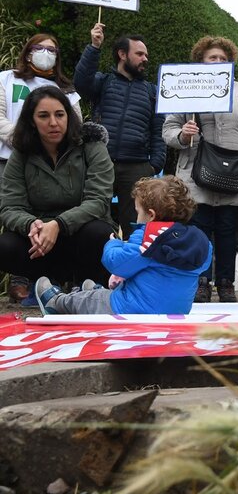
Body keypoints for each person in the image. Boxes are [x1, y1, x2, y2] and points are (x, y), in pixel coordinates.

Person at [163, 37, 238, 303]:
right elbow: (169, 129)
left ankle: (226, 283)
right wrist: (183, 135)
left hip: (234, 173)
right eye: (212, 58)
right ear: (201, 61)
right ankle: (201, 281)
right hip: (196, 173)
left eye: (223, 58)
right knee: (198, 229)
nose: (218, 62)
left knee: (227, 230)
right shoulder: (187, 89)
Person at [34, 176, 212, 315]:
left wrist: (113, 244)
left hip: (132, 310)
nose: (136, 217)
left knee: (87, 300)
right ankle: (102, 292)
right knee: (137, 283)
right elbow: (160, 269)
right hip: (175, 312)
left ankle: (55, 302)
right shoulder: (198, 240)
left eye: (137, 212)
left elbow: (117, 264)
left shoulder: (149, 237)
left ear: (150, 215)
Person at [0, 86, 115, 288]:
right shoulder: (21, 153)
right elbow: (10, 207)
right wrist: (31, 225)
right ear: (32, 122)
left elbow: (98, 200)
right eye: (43, 116)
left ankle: (86, 283)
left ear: (69, 116)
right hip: (41, 237)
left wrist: (59, 224)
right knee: (5, 246)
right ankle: (44, 283)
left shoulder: (92, 145)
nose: (53, 123)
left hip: (82, 231)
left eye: (60, 114)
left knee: (100, 234)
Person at [0, 33, 82, 303]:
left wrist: (45, 140)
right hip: (11, 157)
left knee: (55, 217)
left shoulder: (67, 89)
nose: (46, 53)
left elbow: (76, 123)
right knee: (17, 219)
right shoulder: (7, 78)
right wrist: (29, 139)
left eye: (52, 50)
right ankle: (21, 277)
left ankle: (54, 278)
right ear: (27, 51)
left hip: (54, 160)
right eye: (40, 48)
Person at [74, 23, 165, 234]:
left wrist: (154, 165)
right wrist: (94, 47)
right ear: (122, 54)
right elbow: (81, 83)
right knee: (93, 221)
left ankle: (131, 267)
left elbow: (158, 130)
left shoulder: (152, 92)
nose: (145, 59)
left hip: (137, 168)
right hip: (100, 162)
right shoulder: (104, 82)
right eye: (140, 54)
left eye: (146, 55)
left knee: (136, 228)